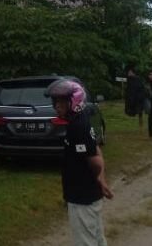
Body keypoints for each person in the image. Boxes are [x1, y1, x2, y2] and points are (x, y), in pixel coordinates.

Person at [46, 80, 113, 246]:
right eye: (55, 102)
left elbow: (94, 159)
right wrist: (101, 179)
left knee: (85, 241)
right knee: (97, 238)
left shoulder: (77, 126)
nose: (56, 106)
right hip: (88, 193)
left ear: (73, 101)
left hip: (82, 198)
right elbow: (95, 148)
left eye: (60, 102)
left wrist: (99, 174)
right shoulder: (80, 118)